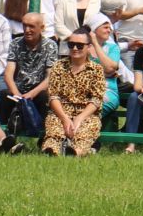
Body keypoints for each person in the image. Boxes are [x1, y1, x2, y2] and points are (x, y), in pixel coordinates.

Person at [41, 28, 105, 158]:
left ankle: (76, 153)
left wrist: (79, 118)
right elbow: (53, 96)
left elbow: (96, 99)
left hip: (86, 114)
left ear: (89, 47)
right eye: (71, 45)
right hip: (60, 112)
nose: (75, 48)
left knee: (83, 134)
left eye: (80, 45)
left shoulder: (96, 69)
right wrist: (64, 118)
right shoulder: (58, 66)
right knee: (54, 133)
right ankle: (52, 151)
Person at [3, 13, 58, 141]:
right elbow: (8, 73)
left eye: (31, 26)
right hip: (19, 89)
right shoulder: (15, 43)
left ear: (42, 28)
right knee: (4, 96)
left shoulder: (50, 46)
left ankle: (44, 137)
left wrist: (32, 94)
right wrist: (16, 93)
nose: (27, 30)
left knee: (46, 96)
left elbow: (51, 77)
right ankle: (5, 137)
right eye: (25, 26)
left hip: (39, 90)